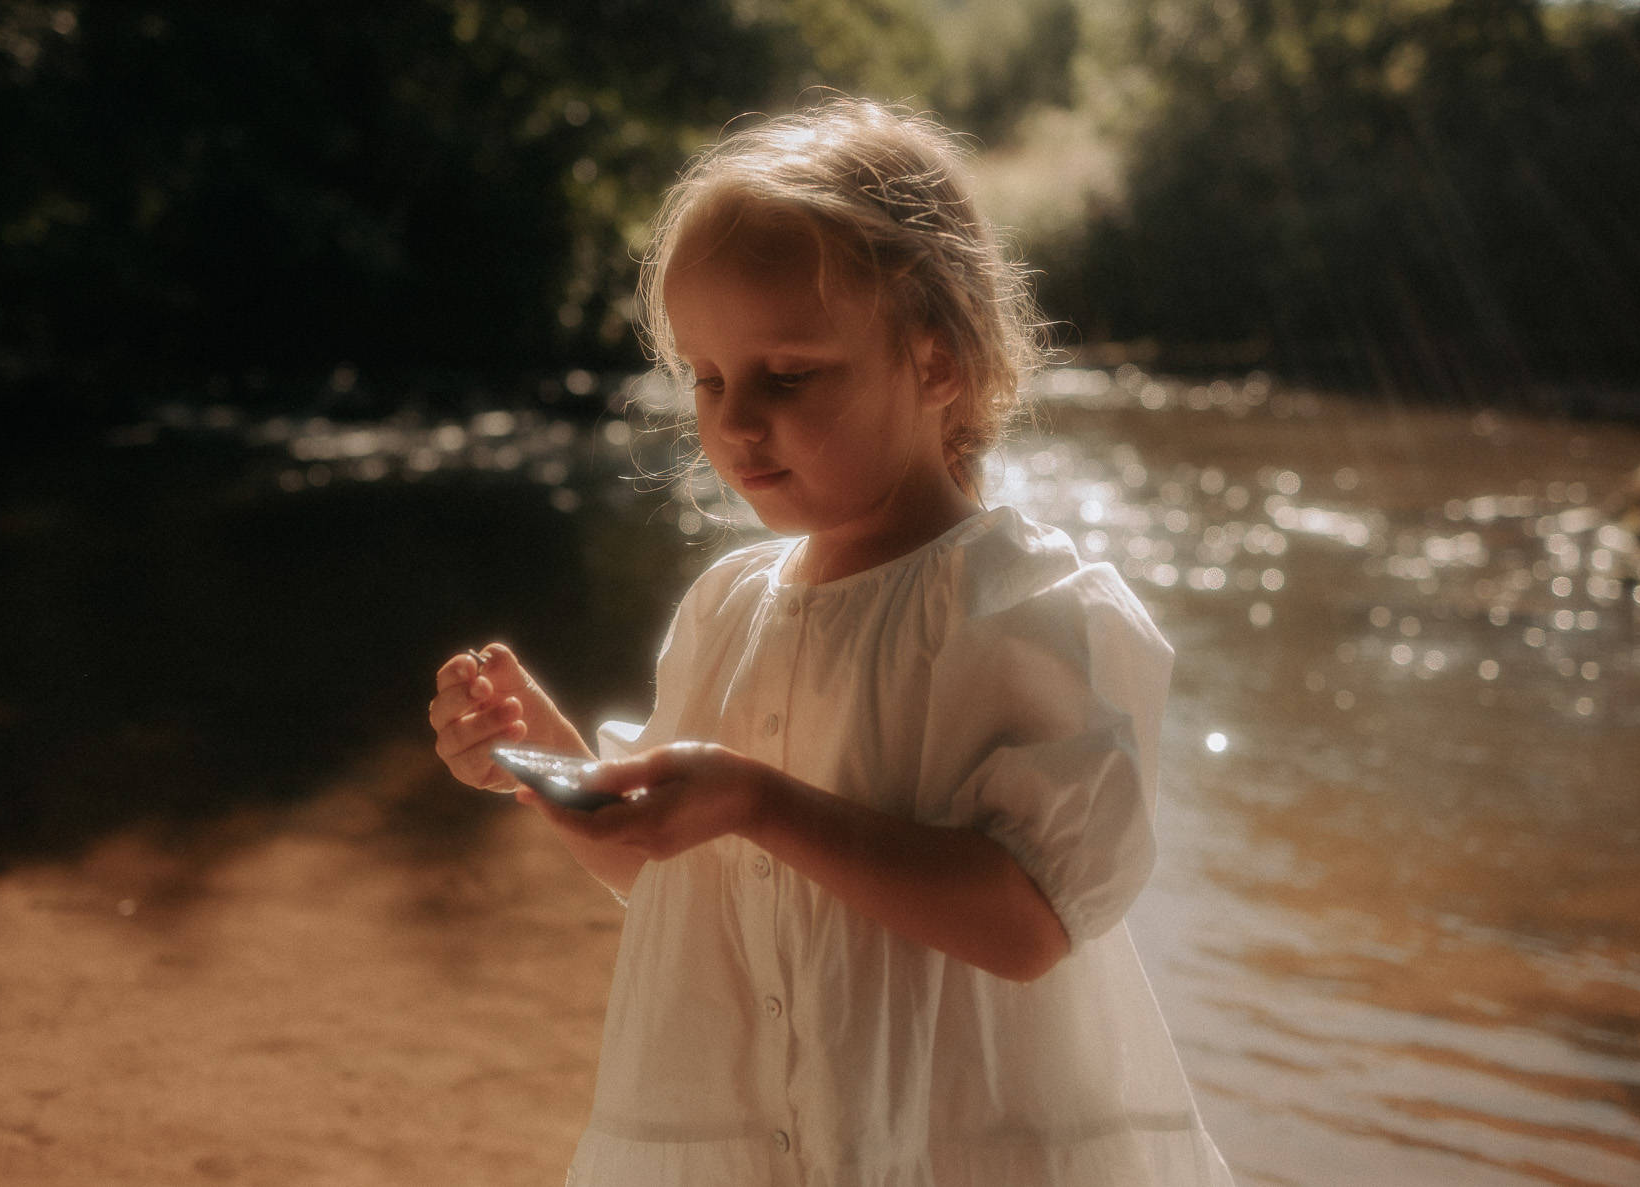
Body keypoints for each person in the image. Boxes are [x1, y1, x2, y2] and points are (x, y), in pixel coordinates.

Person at [429, 99, 1233, 1186]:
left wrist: (755, 799)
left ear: (936, 358)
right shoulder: (725, 606)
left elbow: (1026, 923)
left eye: (787, 374)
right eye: (708, 379)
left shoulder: (1019, 605)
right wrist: (551, 765)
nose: (734, 420)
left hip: (954, 1140)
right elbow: (667, 867)